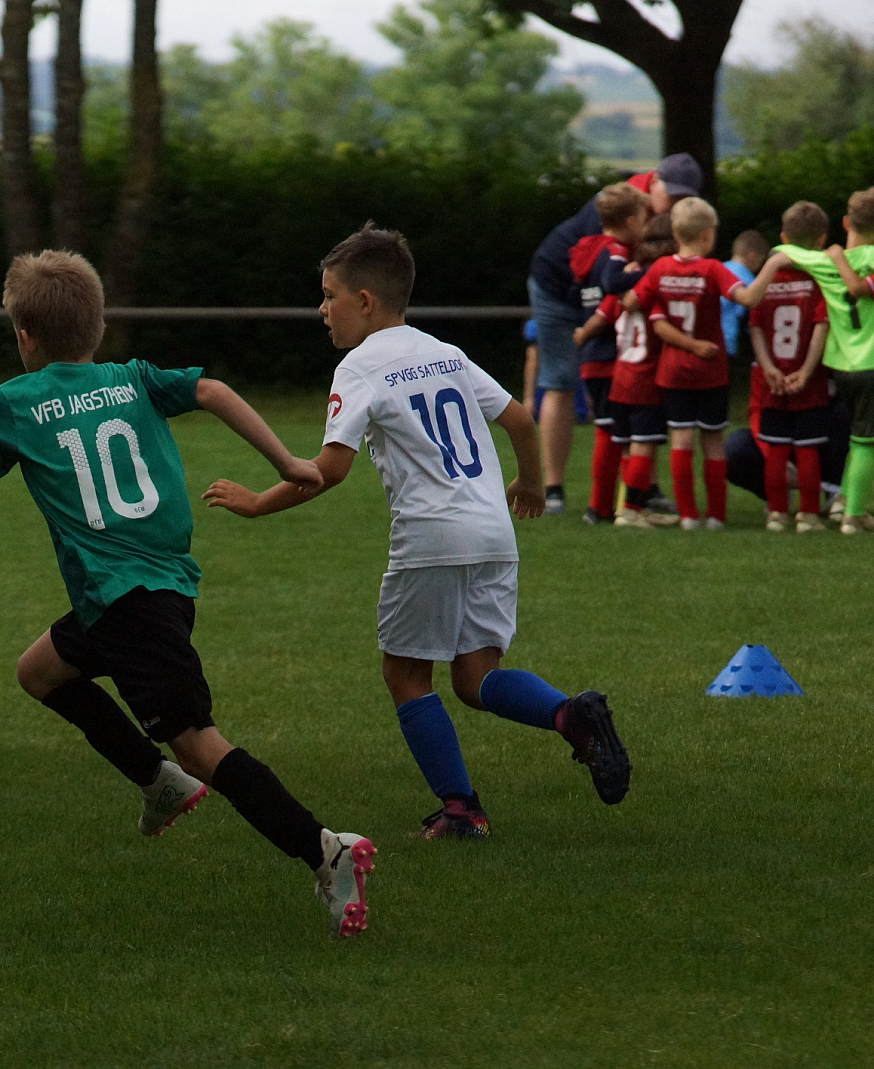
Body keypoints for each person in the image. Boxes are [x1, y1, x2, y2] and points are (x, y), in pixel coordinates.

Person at [0, 250, 376, 938]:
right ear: (97, 327)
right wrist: (286, 461)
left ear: (24, 336)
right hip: (148, 589)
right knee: (39, 671)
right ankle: (158, 782)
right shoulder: (131, 378)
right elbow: (214, 391)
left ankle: (324, 850)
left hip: (127, 603)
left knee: (199, 745)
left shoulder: (17, 401)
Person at [202, 224, 632, 841]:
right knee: (476, 679)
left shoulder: (359, 367)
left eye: (328, 295)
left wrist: (255, 503)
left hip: (431, 537)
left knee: (405, 675)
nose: (322, 309)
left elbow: (329, 470)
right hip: (493, 534)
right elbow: (518, 419)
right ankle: (570, 716)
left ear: (364, 301)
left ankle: (461, 810)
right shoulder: (443, 352)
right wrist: (533, 485)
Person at [527, 153, 702, 516]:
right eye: (670, 195)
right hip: (557, 287)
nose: (673, 204)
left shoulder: (659, 216)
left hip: (602, 300)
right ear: (654, 182)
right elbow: (604, 278)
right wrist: (595, 322)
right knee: (560, 380)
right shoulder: (623, 203)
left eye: (683, 199)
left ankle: (641, 490)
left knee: (635, 395)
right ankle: (553, 488)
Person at [629, 197, 789, 529]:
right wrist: (773, 264)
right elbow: (749, 298)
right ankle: (715, 516)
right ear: (706, 235)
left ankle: (688, 516)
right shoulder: (712, 269)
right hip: (711, 370)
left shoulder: (659, 268)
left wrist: (630, 279)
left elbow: (632, 302)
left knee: (681, 441)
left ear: (676, 233)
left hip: (673, 371)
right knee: (713, 441)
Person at [775, 187, 874, 534]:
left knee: (858, 437)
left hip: (841, 366)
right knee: (867, 441)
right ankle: (854, 517)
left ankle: (843, 503)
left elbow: (785, 251)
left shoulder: (823, 260)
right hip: (870, 363)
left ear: (846, 223)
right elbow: (860, 289)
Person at [570, 182, 652, 523]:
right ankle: (601, 507)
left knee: (608, 429)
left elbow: (581, 292)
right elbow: (611, 290)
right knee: (612, 432)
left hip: (591, 356)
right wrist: (647, 275)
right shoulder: (616, 253)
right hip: (607, 355)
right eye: (645, 218)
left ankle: (610, 505)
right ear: (631, 222)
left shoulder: (588, 249)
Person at [749, 202, 832, 532]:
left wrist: (768, 367)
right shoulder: (818, 279)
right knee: (808, 450)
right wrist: (807, 372)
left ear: (783, 238)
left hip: (773, 379)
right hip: (807, 380)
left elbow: (755, 327)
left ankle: (776, 514)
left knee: (776, 450)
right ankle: (807, 514)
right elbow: (821, 327)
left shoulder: (767, 279)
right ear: (821, 239)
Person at [722, 230, 769, 361]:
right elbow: (746, 314)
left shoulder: (719, 268)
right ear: (752, 257)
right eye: (760, 262)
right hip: (728, 342)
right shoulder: (749, 280)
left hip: (708, 337)